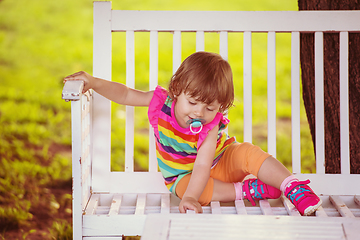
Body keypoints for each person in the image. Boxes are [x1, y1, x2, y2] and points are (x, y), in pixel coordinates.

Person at [64, 51, 322, 216]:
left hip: (219, 161)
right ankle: (246, 191)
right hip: (184, 177)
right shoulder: (162, 103)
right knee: (185, 188)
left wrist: (191, 198)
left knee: (247, 153)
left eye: (210, 107)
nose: (199, 112)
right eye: (193, 103)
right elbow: (125, 94)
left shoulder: (210, 126)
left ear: (221, 106)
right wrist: (94, 81)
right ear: (177, 89)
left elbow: (203, 164)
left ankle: (292, 185)